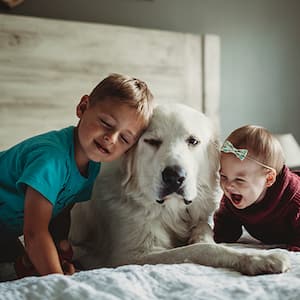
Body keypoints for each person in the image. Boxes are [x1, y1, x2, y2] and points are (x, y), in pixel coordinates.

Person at [0, 73, 154, 278]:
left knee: (32, 264)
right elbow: (34, 233)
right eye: (106, 123)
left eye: (125, 138)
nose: (111, 138)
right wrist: (59, 283)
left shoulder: (91, 167)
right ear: (82, 108)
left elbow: (61, 208)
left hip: (5, 231)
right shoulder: (50, 159)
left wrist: (59, 247)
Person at [213, 125, 300, 251]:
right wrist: (217, 236)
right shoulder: (233, 196)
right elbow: (226, 227)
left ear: (269, 178)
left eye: (239, 179)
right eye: (223, 176)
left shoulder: (294, 201)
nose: (228, 185)